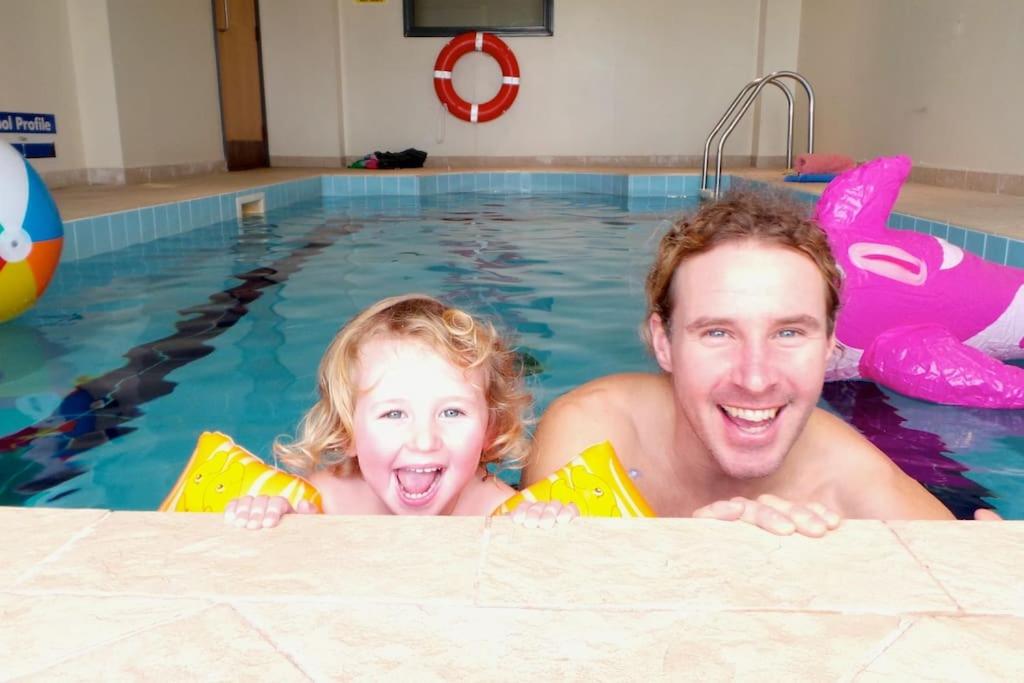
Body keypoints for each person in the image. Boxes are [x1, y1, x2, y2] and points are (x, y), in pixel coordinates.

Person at [526, 191, 969, 536]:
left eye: (789, 333)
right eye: (717, 332)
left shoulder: (857, 483)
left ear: (830, 346)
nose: (755, 379)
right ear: (664, 343)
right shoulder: (595, 435)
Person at [227, 294, 576, 529]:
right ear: (346, 431)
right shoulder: (324, 502)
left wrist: (540, 520)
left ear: (490, 428)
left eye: (452, 412)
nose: (424, 441)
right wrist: (271, 513)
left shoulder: (498, 511)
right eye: (394, 414)